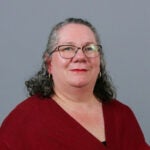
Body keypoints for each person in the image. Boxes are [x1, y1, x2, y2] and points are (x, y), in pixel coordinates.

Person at [0, 18, 149, 150]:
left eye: (89, 48)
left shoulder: (121, 115)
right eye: (67, 48)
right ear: (49, 64)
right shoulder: (22, 121)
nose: (80, 57)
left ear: (100, 62)